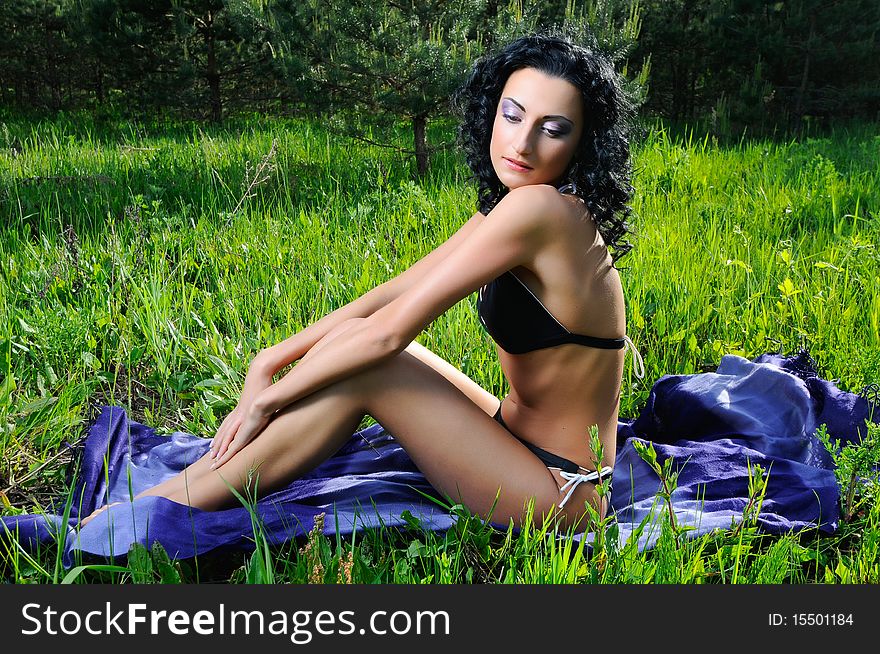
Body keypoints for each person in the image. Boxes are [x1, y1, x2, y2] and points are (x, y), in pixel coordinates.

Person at [80, 31, 643, 534]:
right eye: (512, 115)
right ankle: (196, 481)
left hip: (562, 491)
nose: (522, 144)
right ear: (490, 112)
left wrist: (265, 402)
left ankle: (155, 510)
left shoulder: (543, 212)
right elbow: (392, 294)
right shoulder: (516, 207)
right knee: (355, 339)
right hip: (512, 432)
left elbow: (386, 338)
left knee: (372, 362)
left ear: (580, 145)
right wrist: (268, 360)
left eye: (553, 129)